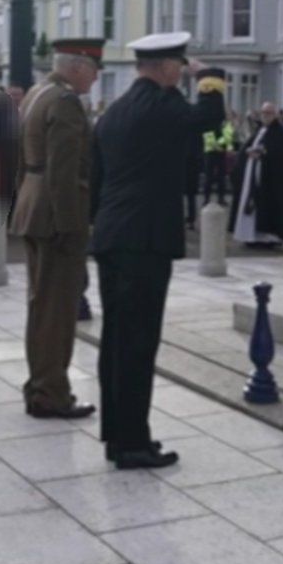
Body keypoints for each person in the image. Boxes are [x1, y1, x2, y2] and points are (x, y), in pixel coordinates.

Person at [91, 32, 225, 469]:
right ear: (168, 67)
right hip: (142, 243)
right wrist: (209, 77)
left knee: (115, 341)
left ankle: (119, 435)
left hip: (114, 236)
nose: (181, 73)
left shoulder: (114, 112)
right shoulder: (161, 105)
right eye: (180, 66)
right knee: (136, 344)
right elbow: (209, 120)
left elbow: (96, 179)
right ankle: (132, 444)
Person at [10, 39, 103, 419]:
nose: (94, 80)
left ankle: (39, 385)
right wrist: (71, 227)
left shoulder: (37, 93)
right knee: (57, 311)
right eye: (94, 71)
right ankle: (51, 393)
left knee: (41, 305)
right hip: (55, 216)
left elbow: (21, 157)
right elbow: (64, 172)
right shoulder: (64, 102)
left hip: (34, 206)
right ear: (79, 66)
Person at [230, 102, 283, 247]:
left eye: (269, 113)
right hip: (253, 173)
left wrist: (263, 154)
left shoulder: (279, 133)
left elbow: (280, 156)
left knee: (267, 205)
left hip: (269, 179)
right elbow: (246, 148)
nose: (265, 116)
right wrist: (248, 153)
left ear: (275, 115)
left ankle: (268, 237)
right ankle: (250, 235)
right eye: (263, 113)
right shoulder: (260, 131)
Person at [202, 115, 234, 206]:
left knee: (221, 177)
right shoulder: (209, 121)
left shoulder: (225, 123)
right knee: (208, 177)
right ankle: (206, 198)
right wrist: (219, 146)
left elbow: (229, 137)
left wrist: (228, 148)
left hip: (221, 153)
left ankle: (221, 198)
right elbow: (208, 136)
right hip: (210, 152)